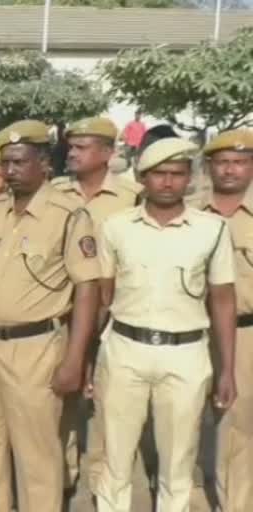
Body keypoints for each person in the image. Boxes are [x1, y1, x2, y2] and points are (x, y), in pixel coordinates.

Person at [0, 120, 101, 512]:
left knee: (37, 451)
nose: (10, 171)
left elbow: (88, 288)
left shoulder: (68, 214)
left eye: (19, 162)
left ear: (44, 164)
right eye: (6, 163)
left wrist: (75, 358)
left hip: (35, 347)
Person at [93, 137, 237, 512]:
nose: (168, 182)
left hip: (186, 354)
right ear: (143, 177)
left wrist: (227, 370)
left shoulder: (212, 229)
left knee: (178, 461)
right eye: (159, 174)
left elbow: (222, 299)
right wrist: (90, 359)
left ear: (189, 178)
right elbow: (103, 296)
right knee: (115, 459)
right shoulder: (116, 227)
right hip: (125, 349)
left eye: (177, 174)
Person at [50, 117, 143, 494]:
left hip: (113, 317)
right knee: (59, 403)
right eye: (71, 147)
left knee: (107, 406)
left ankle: (101, 483)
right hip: (62, 315)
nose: (72, 153)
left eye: (82, 147)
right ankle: (62, 476)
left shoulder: (132, 196)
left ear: (107, 153)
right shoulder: (55, 192)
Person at [193, 129, 253, 512]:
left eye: (240, 162)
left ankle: (236, 505)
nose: (230, 170)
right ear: (210, 166)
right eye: (223, 163)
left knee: (239, 425)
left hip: (247, 333)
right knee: (188, 419)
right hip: (195, 331)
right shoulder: (190, 213)